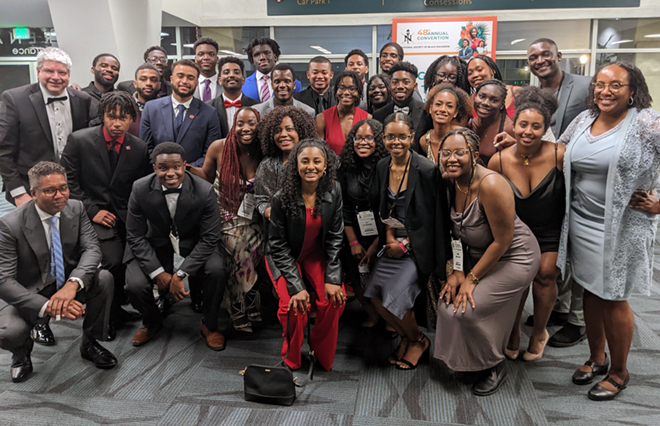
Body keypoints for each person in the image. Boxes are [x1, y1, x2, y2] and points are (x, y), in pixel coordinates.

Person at [557, 62, 660, 400]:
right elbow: (559, 149)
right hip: (581, 221)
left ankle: (619, 371)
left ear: (633, 90)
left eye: (616, 85)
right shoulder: (584, 119)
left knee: (614, 297)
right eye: (600, 84)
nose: (605, 91)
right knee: (589, 289)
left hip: (621, 227)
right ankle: (595, 358)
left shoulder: (646, 122)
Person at [435, 128, 540, 396]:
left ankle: (494, 365)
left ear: (475, 154)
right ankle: (468, 360)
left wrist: (471, 279)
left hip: (515, 256)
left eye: (460, 152)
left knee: (467, 309)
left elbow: (502, 241)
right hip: (479, 256)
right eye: (446, 153)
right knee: (447, 305)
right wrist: (458, 271)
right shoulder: (451, 180)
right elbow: (455, 232)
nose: (452, 159)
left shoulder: (491, 185)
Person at [0, 161, 117, 383]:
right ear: (33, 193)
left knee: (104, 278)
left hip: (65, 281)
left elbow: (92, 249)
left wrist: (72, 285)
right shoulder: (9, 225)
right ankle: (21, 354)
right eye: (50, 190)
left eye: (63, 188)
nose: (59, 195)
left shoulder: (76, 208)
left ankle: (90, 343)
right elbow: (3, 280)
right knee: (9, 332)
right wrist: (47, 306)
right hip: (28, 288)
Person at [60, 91, 151, 337]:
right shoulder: (79, 140)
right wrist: (93, 211)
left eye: (124, 118)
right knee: (110, 262)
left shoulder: (139, 147)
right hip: (90, 214)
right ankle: (105, 316)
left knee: (128, 261)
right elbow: (69, 183)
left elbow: (140, 186)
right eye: (111, 117)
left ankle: (118, 308)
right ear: (103, 116)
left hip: (125, 216)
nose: (117, 123)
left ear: (132, 118)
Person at [125, 143, 227, 351]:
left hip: (195, 244)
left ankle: (209, 324)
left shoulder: (205, 190)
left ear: (185, 166)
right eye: (163, 168)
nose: (170, 173)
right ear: (154, 168)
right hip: (156, 245)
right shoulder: (140, 188)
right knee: (135, 284)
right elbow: (135, 236)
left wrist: (180, 274)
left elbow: (209, 238)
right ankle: (152, 322)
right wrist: (159, 273)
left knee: (217, 270)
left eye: (176, 167)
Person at [487, 86, 564, 362]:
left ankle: (539, 332)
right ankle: (512, 331)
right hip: (517, 233)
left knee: (545, 274)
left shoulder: (560, 154)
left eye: (535, 126)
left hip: (551, 231)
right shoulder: (498, 160)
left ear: (545, 129)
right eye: (522, 125)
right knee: (518, 280)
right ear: (513, 126)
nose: (528, 132)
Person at [526, 37, 592, 347]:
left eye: (545, 54)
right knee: (557, 250)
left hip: (579, 180)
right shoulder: (536, 93)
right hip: (550, 183)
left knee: (576, 251)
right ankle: (559, 309)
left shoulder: (586, 86)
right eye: (534, 57)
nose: (540, 60)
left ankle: (577, 320)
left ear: (558, 55)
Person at [365, 113, 440, 371]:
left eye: (402, 136)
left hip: (416, 246)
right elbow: (385, 210)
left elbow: (433, 220)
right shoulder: (383, 166)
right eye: (390, 136)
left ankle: (418, 340)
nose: (396, 142)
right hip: (391, 242)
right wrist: (387, 239)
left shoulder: (427, 170)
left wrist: (405, 245)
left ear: (411, 137)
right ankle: (410, 339)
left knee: (396, 297)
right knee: (375, 297)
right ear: (383, 139)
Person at [267, 138, 345, 371]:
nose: (310, 167)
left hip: (315, 255)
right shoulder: (281, 198)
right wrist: (296, 286)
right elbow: (277, 246)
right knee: (293, 305)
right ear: (295, 165)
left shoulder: (334, 190)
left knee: (335, 299)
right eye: (304, 161)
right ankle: (291, 356)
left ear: (325, 166)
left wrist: (333, 279)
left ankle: (321, 350)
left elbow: (335, 237)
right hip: (283, 258)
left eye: (316, 161)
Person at [190, 107, 265, 332]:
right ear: (234, 124)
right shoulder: (219, 147)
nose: (246, 128)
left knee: (256, 246)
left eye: (251, 123)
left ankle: (247, 295)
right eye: (240, 123)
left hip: (254, 216)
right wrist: (183, 168)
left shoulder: (263, 150)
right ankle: (238, 305)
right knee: (239, 247)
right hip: (224, 215)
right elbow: (207, 176)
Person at [0, 47, 94, 208]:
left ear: (69, 74)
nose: (56, 77)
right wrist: (18, 192)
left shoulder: (82, 99)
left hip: (72, 188)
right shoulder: (15, 99)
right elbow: (4, 150)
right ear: (38, 72)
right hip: (31, 189)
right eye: (49, 71)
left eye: (62, 72)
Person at [337, 119, 388, 333]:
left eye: (369, 138)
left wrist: (378, 242)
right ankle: (371, 313)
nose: (363, 142)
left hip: (385, 233)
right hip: (353, 232)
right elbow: (344, 207)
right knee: (356, 273)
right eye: (358, 138)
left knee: (381, 277)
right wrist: (354, 242)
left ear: (378, 141)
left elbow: (390, 208)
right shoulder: (345, 168)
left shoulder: (387, 167)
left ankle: (389, 316)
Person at [139, 59, 222, 167]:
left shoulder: (209, 113)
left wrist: (185, 169)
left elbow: (210, 153)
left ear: (196, 83)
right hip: (158, 175)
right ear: (172, 79)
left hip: (194, 177)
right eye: (180, 76)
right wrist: (166, 168)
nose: (185, 81)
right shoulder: (151, 108)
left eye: (190, 78)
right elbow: (145, 148)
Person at [254, 106, 318, 222]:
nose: (283, 134)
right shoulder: (267, 165)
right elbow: (261, 200)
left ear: (301, 131)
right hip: (279, 229)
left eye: (289, 129)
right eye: (277, 130)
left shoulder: (318, 158)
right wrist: (270, 212)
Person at [413, 83, 471, 164]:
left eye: (449, 106)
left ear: (455, 113)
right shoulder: (424, 141)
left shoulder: (464, 136)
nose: (443, 109)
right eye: (438, 104)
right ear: (430, 109)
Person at [315, 71, 371, 155]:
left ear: (359, 92)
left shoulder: (367, 118)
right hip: (330, 166)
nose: (346, 92)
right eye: (342, 88)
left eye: (352, 89)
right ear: (336, 90)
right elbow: (318, 152)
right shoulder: (321, 118)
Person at [208, 56, 258, 138]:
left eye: (236, 72)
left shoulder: (256, 107)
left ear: (243, 80)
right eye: (226, 72)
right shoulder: (208, 108)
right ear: (219, 80)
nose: (231, 75)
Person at [242, 37, 302, 102]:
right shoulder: (243, 85)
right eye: (257, 54)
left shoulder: (294, 84)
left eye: (267, 53)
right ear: (252, 60)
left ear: (275, 57)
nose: (262, 57)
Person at [470, 79, 515, 164]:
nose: (485, 103)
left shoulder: (509, 128)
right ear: (475, 97)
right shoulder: (470, 124)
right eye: (482, 97)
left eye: (494, 100)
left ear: (502, 105)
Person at [373, 62, 424, 129]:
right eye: (395, 82)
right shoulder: (378, 115)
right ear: (389, 86)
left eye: (406, 82)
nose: (400, 86)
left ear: (415, 86)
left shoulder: (426, 112)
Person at [127, 63, 162, 137]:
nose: (148, 83)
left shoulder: (167, 108)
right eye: (143, 79)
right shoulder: (125, 107)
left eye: (153, 80)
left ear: (159, 85)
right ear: (135, 83)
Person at [193, 37, 222, 102]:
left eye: (211, 54)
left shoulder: (224, 84)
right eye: (201, 54)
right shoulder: (189, 83)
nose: (206, 57)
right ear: (195, 59)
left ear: (217, 59)